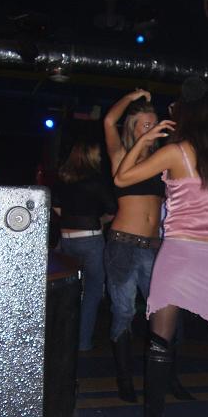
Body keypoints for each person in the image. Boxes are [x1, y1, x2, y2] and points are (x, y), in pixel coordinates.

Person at [115, 76, 208, 417]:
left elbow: (122, 177)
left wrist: (145, 138)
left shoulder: (175, 151)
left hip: (178, 251)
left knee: (159, 338)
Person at [104, 89, 191, 403]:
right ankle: (125, 379)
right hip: (123, 244)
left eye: (155, 124)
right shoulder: (121, 154)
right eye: (145, 124)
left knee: (166, 312)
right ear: (132, 127)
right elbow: (109, 120)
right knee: (124, 312)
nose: (152, 129)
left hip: (155, 246)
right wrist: (131, 97)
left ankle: (168, 377)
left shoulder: (160, 161)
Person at [52, 140, 116, 352]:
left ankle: (62, 340)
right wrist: (100, 220)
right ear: (90, 155)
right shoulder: (96, 181)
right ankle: (82, 342)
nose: (99, 157)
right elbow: (112, 209)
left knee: (67, 291)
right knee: (93, 290)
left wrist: (70, 218)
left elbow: (56, 206)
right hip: (90, 239)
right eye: (97, 153)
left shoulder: (63, 179)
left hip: (67, 239)